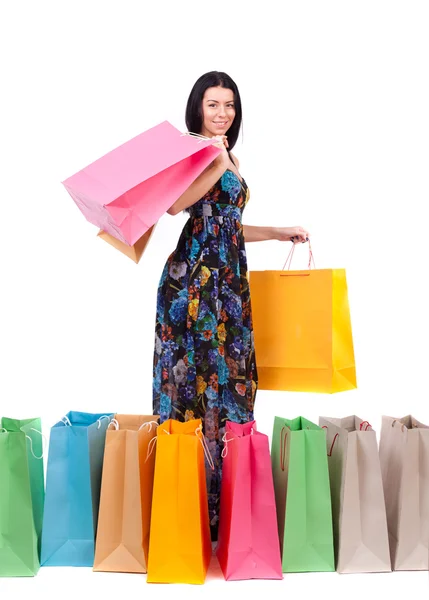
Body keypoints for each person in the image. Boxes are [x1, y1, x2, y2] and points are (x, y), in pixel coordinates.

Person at [152, 71, 309, 540]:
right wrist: (216, 162)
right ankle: (187, 513)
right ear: (197, 108)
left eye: (229, 105)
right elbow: (175, 206)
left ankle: (228, 513)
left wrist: (278, 231)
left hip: (229, 286)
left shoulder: (228, 154)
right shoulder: (199, 150)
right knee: (193, 386)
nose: (222, 113)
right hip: (192, 288)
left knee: (233, 384)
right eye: (213, 104)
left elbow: (228, 226)